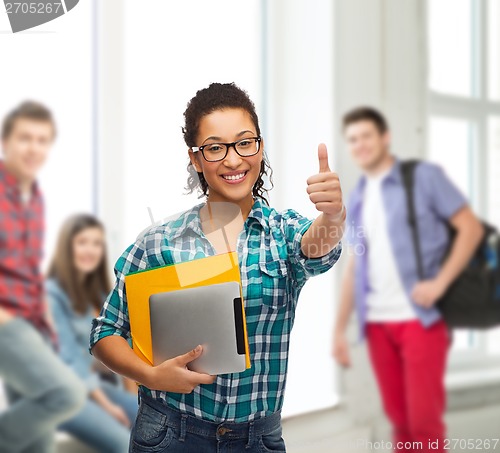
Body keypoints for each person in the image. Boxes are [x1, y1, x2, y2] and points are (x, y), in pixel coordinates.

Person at [90, 82, 345, 452]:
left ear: (259, 146)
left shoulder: (283, 233)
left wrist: (334, 214)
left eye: (245, 142)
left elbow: (316, 247)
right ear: (195, 158)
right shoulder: (159, 241)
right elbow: (105, 331)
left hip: (257, 438)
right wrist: (151, 375)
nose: (233, 160)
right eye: (215, 148)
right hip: (168, 431)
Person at [332, 107, 484, 452]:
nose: (360, 145)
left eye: (366, 136)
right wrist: (340, 329)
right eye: (353, 140)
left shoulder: (424, 178)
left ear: (385, 138)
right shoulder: (357, 199)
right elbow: (355, 265)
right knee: (400, 424)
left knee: (424, 425)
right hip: (377, 324)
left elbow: (470, 228)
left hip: (420, 320)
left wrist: (440, 283)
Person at [0, 101, 86, 453]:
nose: (33, 148)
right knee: (65, 395)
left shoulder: (34, 196)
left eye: (41, 140)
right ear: (6, 142)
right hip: (6, 322)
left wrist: (46, 321)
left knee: (37, 441)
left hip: (33, 322)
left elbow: (29, 269)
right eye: (25, 138)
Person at [46, 214, 138, 453]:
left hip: (93, 388)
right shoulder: (51, 295)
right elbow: (70, 363)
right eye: (83, 242)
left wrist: (134, 393)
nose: (91, 250)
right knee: (122, 442)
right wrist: (107, 407)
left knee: (147, 420)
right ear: (67, 247)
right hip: (60, 395)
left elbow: (120, 342)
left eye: (97, 243)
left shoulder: (96, 295)